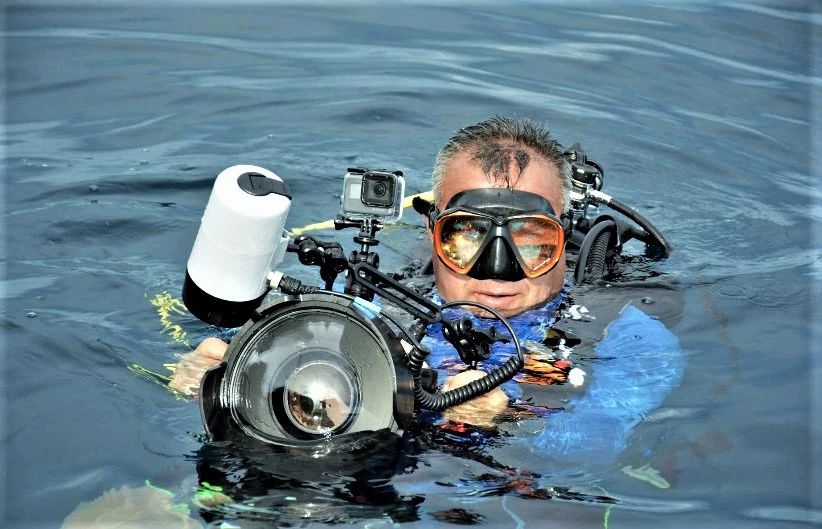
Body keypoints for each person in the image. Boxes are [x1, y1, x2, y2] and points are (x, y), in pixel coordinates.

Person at [170, 116, 681, 435]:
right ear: (433, 233)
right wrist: (232, 375)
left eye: (531, 238)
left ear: (564, 238)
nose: (496, 269)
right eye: (467, 235)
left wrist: (515, 422)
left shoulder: (626, 332)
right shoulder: (379, 309)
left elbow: (600, 445)